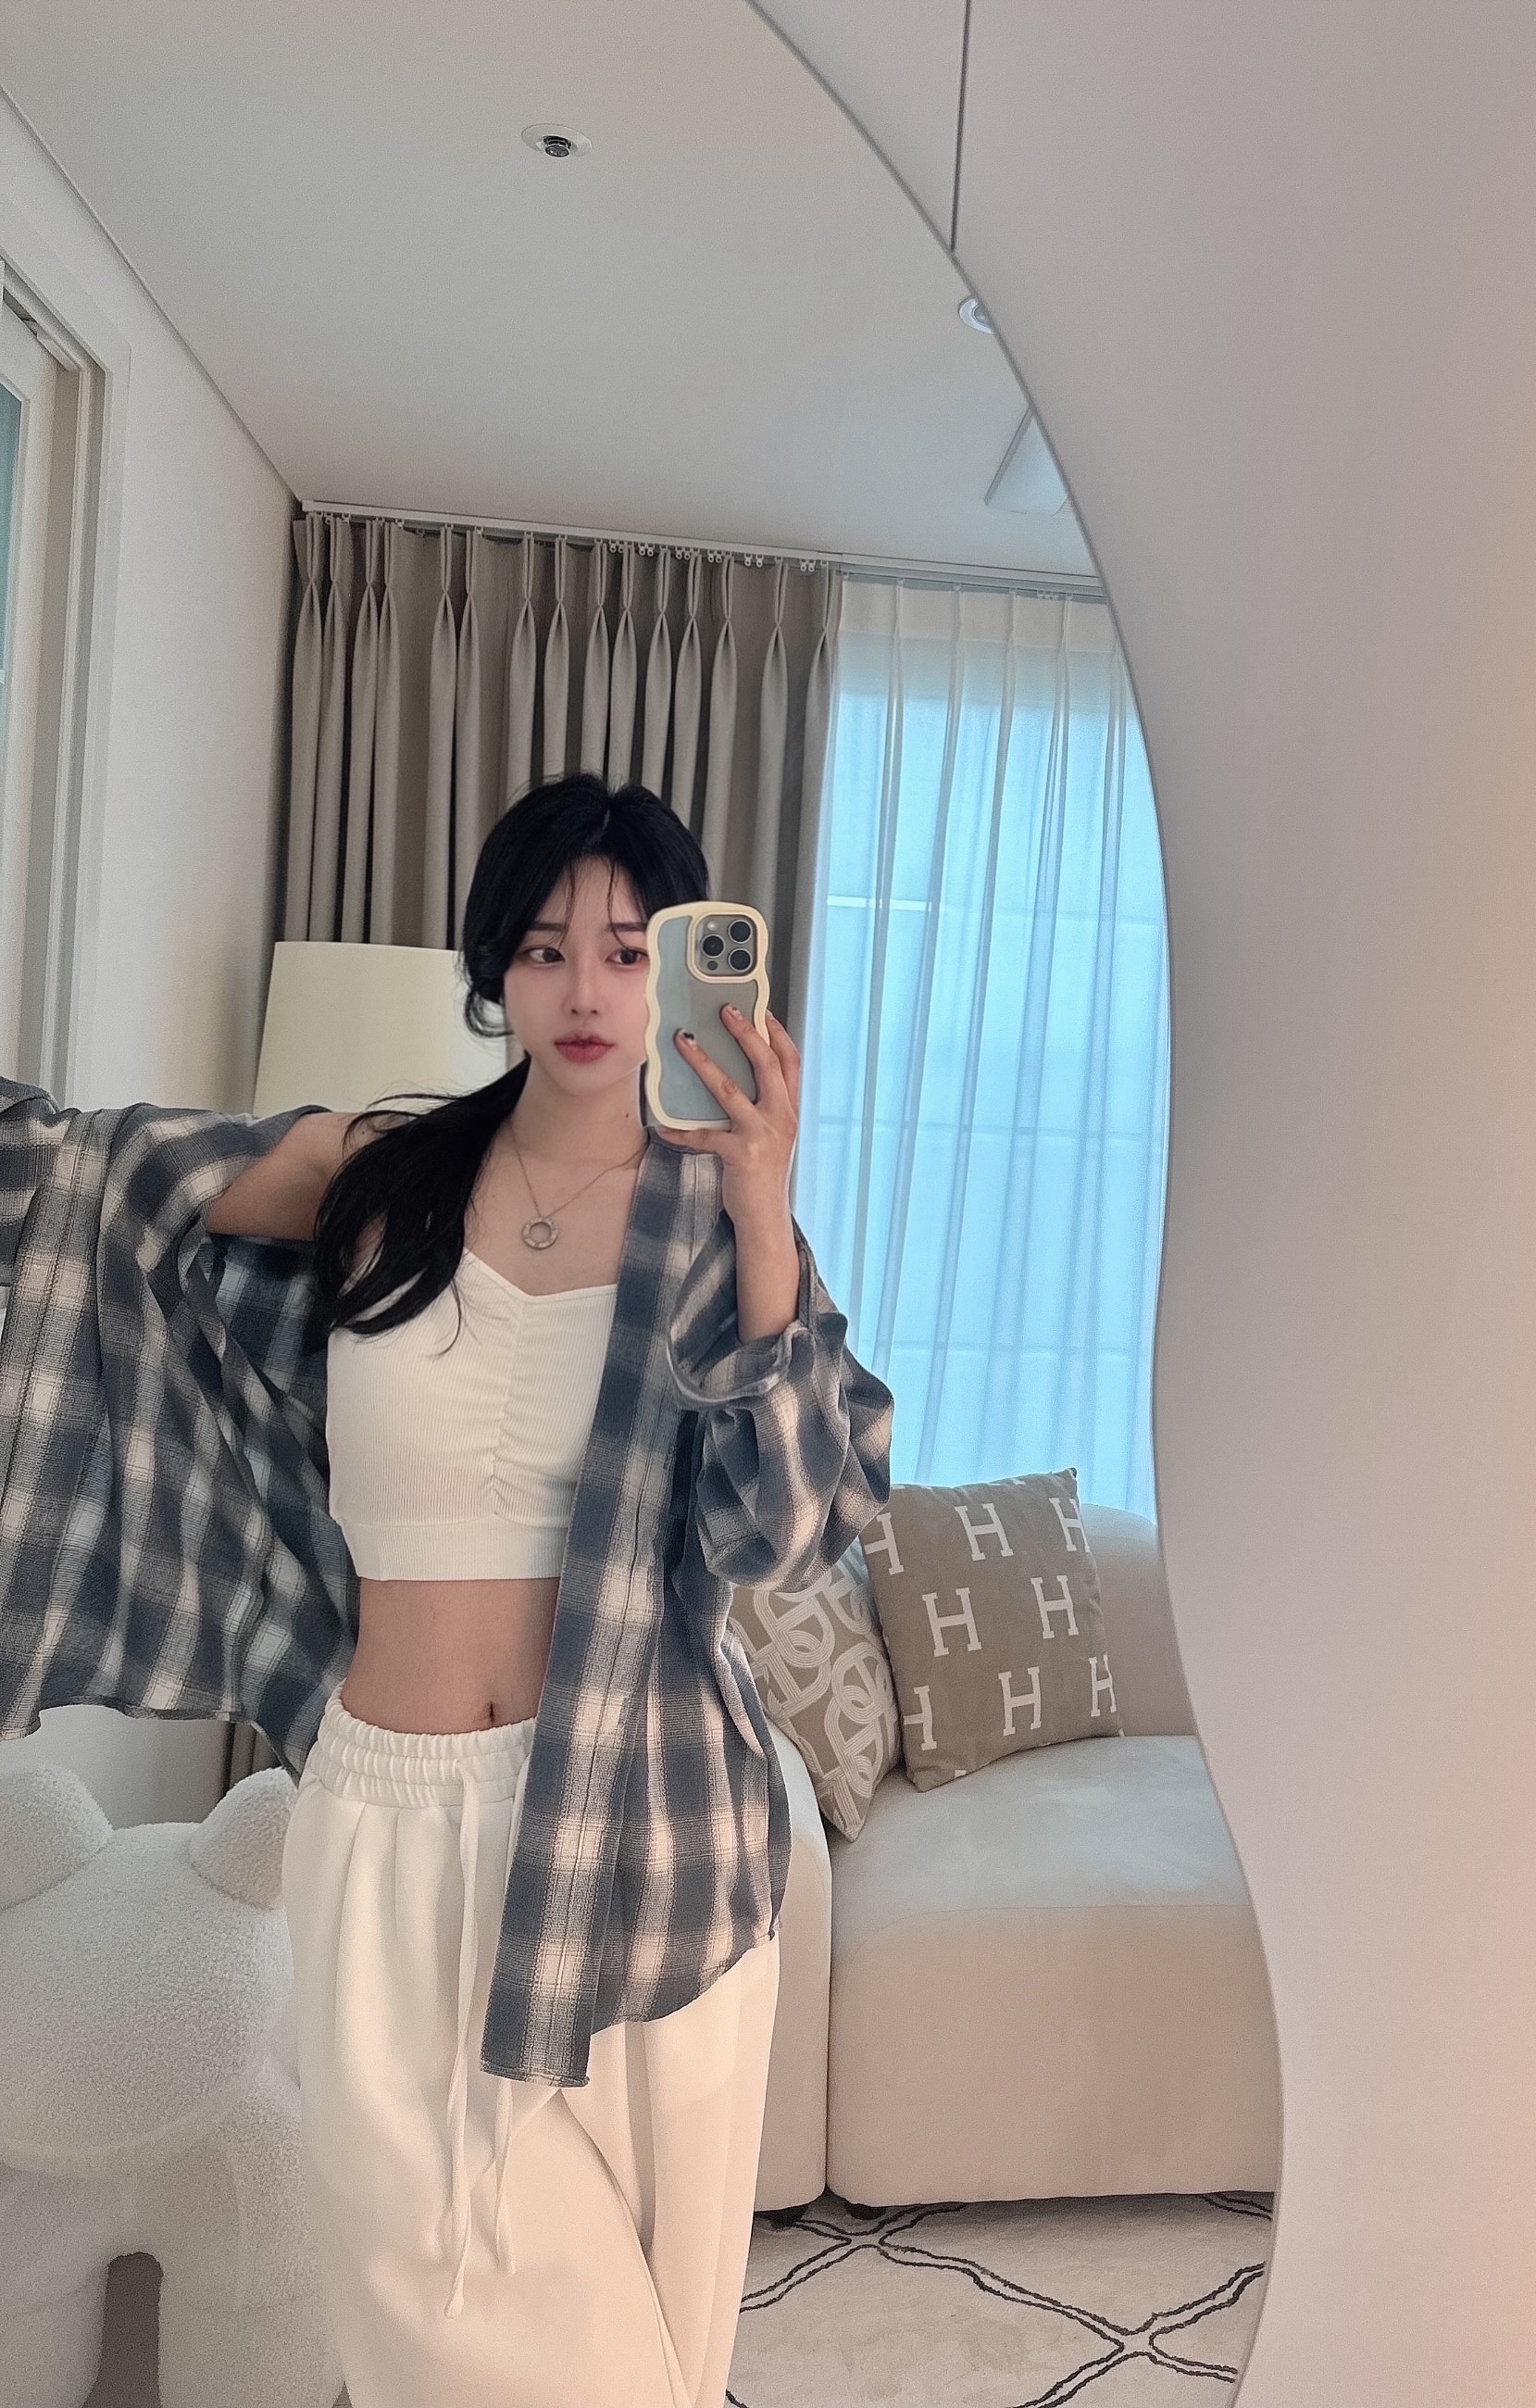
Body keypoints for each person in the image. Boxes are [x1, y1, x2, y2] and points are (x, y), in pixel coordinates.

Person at [0, 774, 893, 2408]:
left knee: (642, 2318)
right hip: (384, 1811)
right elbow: (97, 1183)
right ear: (496, 969)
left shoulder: (716, 1228)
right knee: (430, 2297)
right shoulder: (381, 1174)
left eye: (629, 950)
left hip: (641, 1826)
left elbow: (789, 1529)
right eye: (545, 949)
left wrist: (763, 1206)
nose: (586, 989)